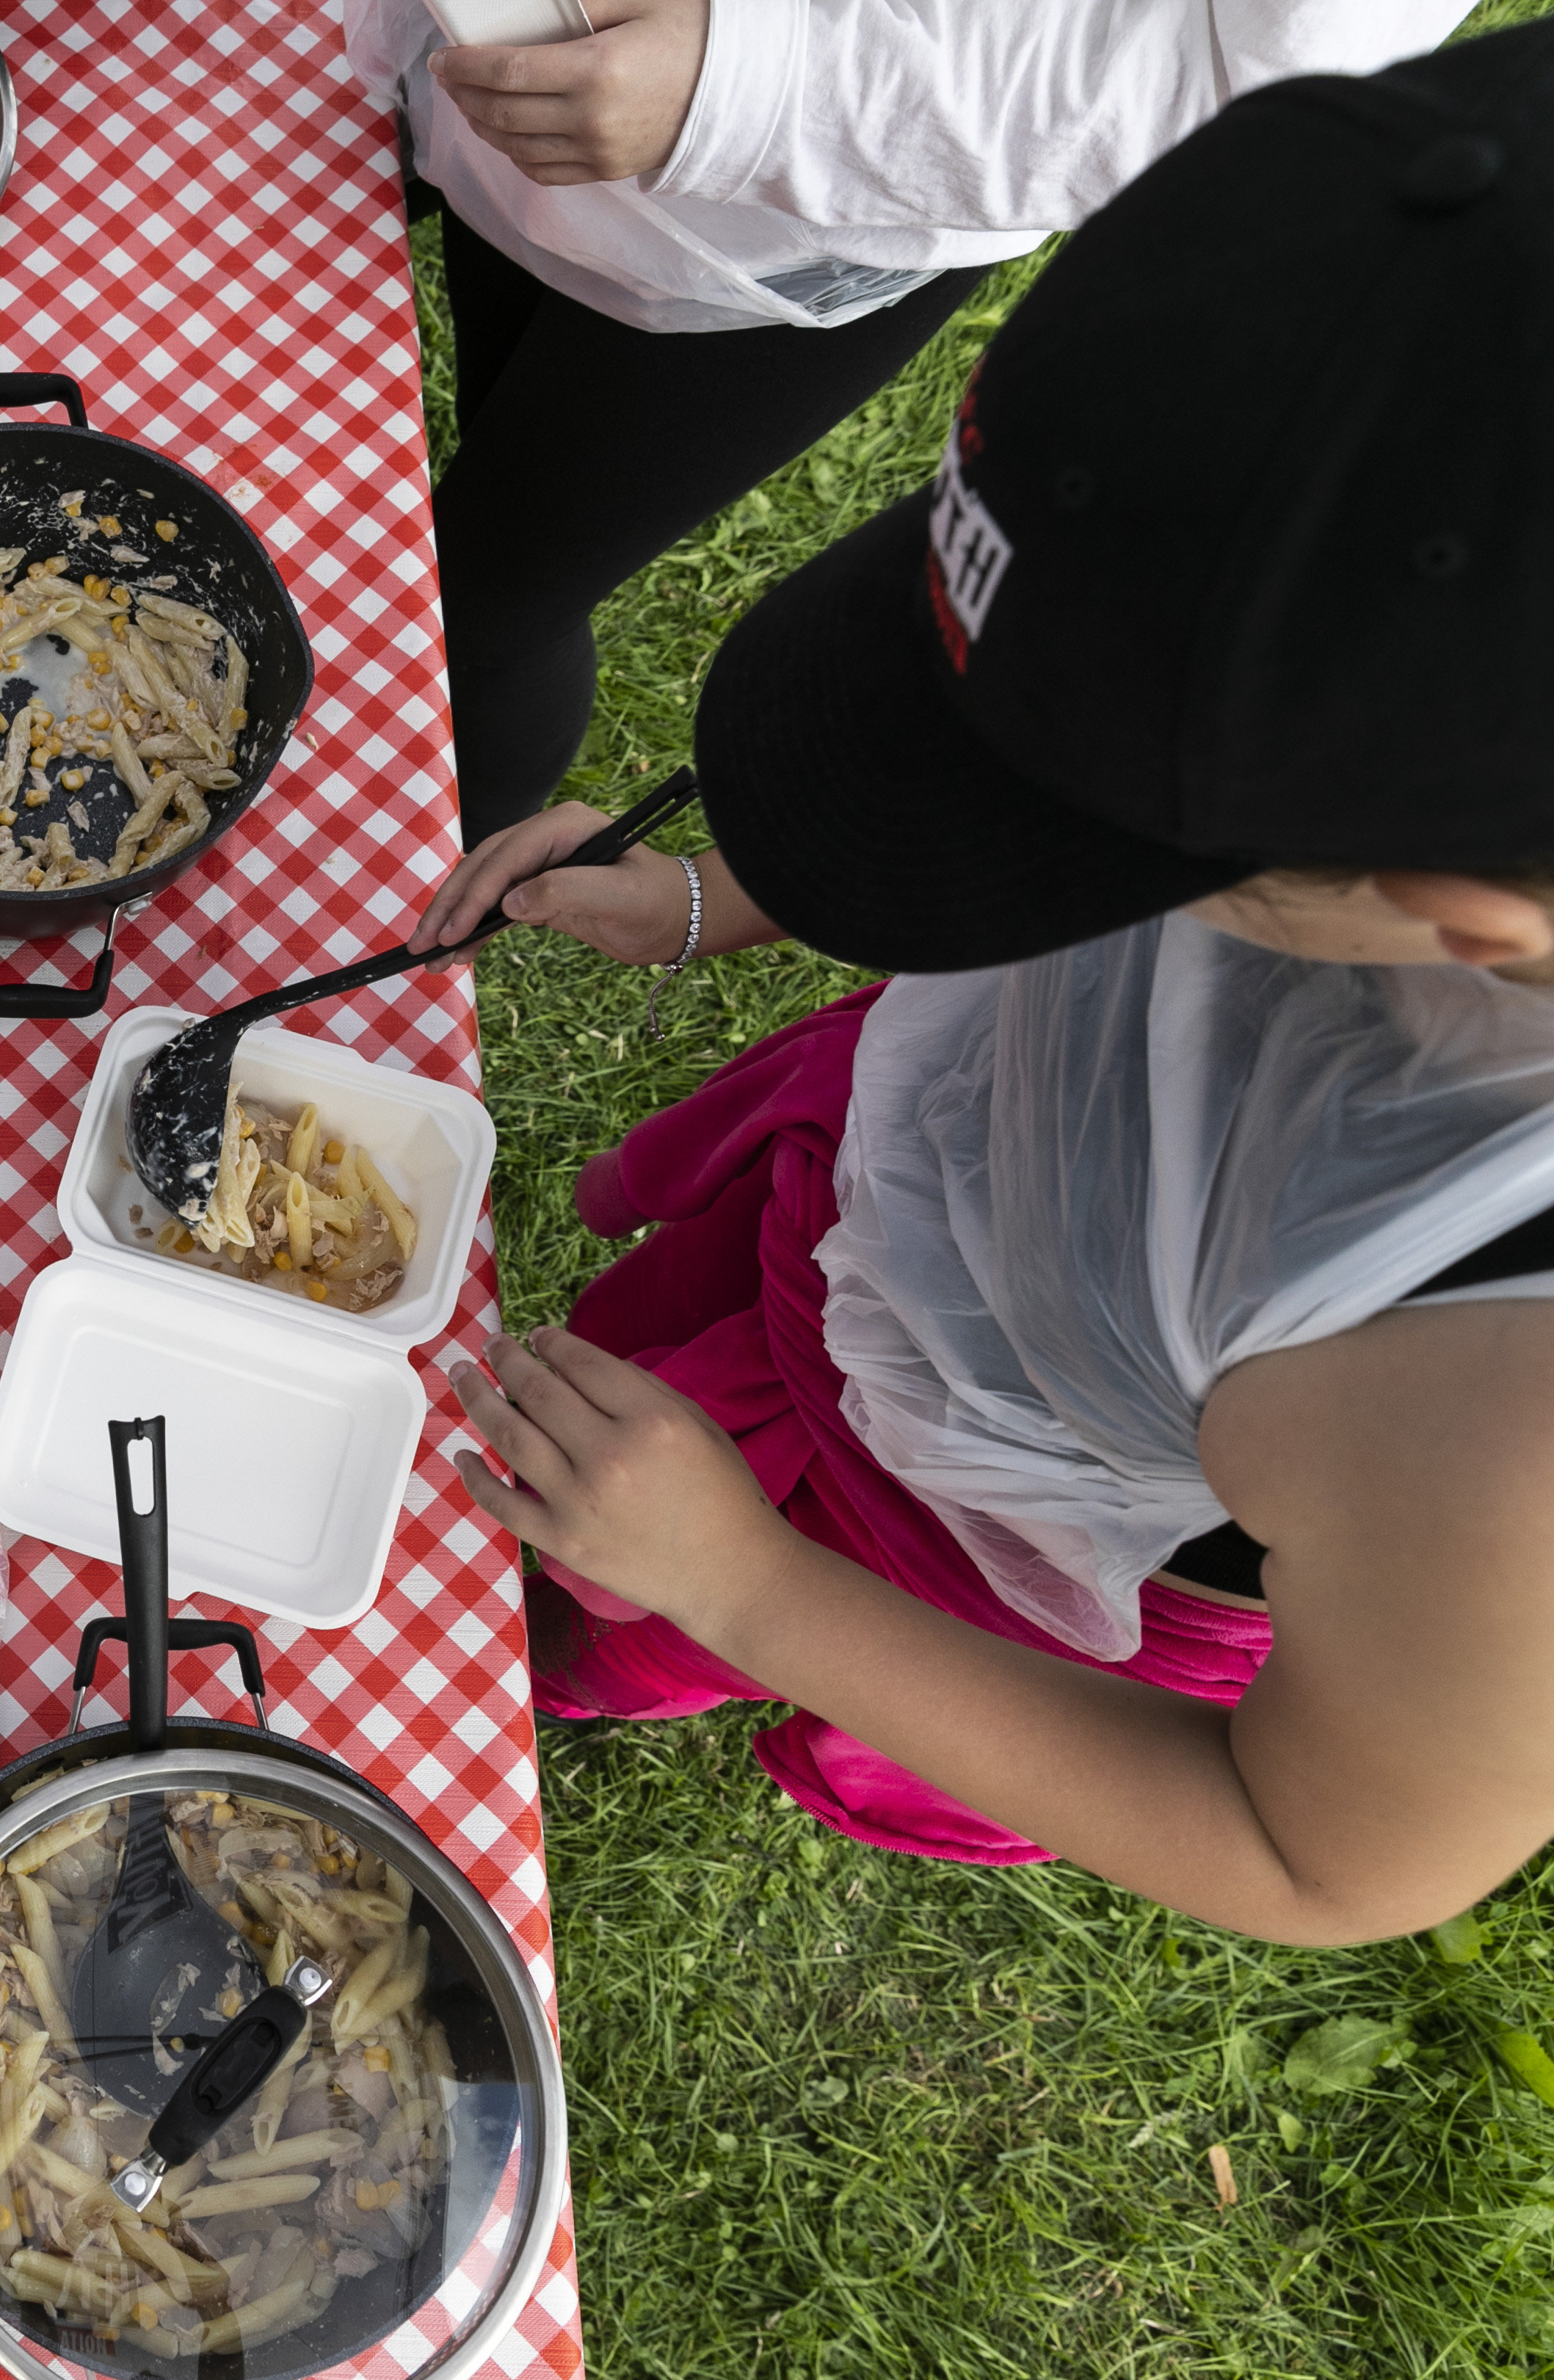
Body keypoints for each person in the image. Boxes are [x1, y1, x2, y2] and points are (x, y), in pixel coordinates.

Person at [415, 27, 1554, 1945]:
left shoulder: (1503, 1433)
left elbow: (1319, 1855)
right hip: (945, 1176)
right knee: (648, 1380)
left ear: (1458, 916)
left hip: (980, 1509)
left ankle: (591, 1651)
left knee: (606, 1594)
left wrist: (743, 1585)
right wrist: (734, 891)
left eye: (1048, 814)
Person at [349, 0, 1473, 832]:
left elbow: (1229, 92)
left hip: (779, 206)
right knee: (468, 438)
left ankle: (384, 918)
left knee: (481, 599)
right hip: (526, 52)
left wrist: (744, 90)